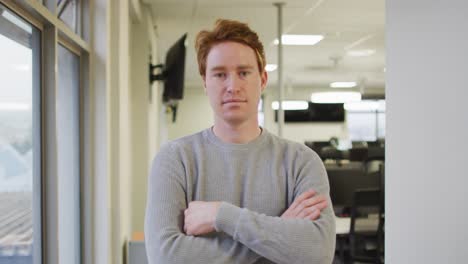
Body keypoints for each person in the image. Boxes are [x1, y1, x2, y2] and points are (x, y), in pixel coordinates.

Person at [145, 19, 336, 264]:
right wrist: (278, 234)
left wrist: (222, 216)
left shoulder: (302, 162)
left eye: (244, 73)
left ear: (263, 79)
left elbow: (317, 253)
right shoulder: (175, 158)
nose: (232, 86)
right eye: (220, 74)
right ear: (205, 82)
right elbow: (166, 257)